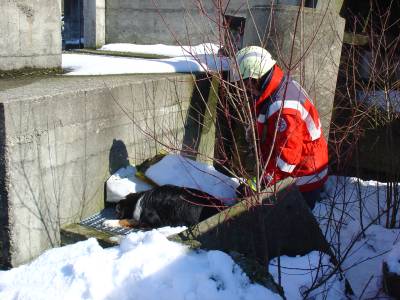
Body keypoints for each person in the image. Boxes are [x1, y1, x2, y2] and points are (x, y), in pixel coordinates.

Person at [231, 46, 328, 210]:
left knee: (288, 227)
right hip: (297, 170)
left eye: (244, 83)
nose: (244, 88)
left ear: (254, 79)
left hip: (302, 177)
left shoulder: (285, 108)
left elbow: (287, 160)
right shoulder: (278, 86)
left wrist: (261, 184)